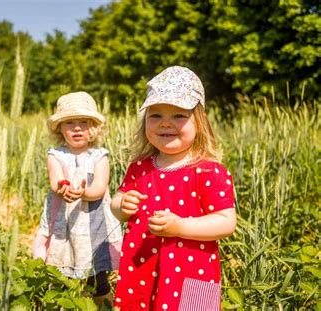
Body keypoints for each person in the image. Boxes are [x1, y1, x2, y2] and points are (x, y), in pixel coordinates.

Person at [111, 66, 237, 310]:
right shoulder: (139, 168)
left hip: (193, 270)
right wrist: (122, 206)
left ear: (199, 123)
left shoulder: (208, 171)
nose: (165, 123)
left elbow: (225, 222)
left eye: (178, 116)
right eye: (155, 115)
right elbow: (118, 202)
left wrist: (180, 226)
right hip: (142, 266)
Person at [32, 91, 122, 305]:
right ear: (60, 129)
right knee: (63, 272)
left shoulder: (100, 156)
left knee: (97, 278)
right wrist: (62, 188)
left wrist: (83, 193)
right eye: (70, 122)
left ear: (94, 128)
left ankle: (103, 305)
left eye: (84, 122)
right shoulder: (55, 154)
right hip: (65, 222)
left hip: (93, 226)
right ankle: (66, 302)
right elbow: (55, 180)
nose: (77, 127)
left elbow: (100, 188)